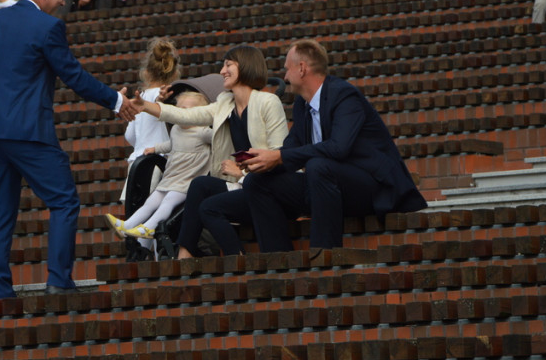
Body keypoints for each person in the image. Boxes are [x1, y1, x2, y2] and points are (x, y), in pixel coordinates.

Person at [0, 0, 137, 299]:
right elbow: (74, 75)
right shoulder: (47, 27)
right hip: (27, 130)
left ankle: (0, 291)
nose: (64, 2)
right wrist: (115, 100)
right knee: (64, 201)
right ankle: (59, 282)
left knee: (1, 212)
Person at [241, 40, 427, 254]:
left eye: (287, 69)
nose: (285, 77)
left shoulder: (344, 95)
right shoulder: (302, 104)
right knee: (257, 182)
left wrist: (280, 157)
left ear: (301, 68)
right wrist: (263, 161)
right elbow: (291, 149)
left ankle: (325, 254)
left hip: (371, 187)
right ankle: (277, 258)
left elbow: (339, 148)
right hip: (325, 187)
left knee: (318, 166)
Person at [131, 45, 288, 258]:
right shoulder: (225, 102)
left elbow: (279, 155)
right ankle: (184, 256)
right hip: (241, 184)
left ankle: (236, 258)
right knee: (200, 185)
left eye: (228, 65)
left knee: (208, 208)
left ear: (246, 66)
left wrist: (241, 174)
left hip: (264, 186)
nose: (222, 71)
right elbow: (186, 116)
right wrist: (146, 106)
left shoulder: (268, 101)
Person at [106, 91, 213, 254]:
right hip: (171, 176)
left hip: (188, 180)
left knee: (168, 201)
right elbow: (171, 144)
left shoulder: (203, 132)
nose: (181, 114)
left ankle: (149, 227)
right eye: (179, 109)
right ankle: (126, 225)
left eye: (187, 110)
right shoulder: (177, 129)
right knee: (151, 201)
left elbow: (220, 138)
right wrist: (155, 148)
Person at [116, 37, 179, 203]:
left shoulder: (141, 99)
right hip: (162, 161)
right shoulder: (170, 96)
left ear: (146, 72)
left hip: (137, 161)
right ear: (174, 73)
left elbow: (130, 135)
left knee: (135, 208)